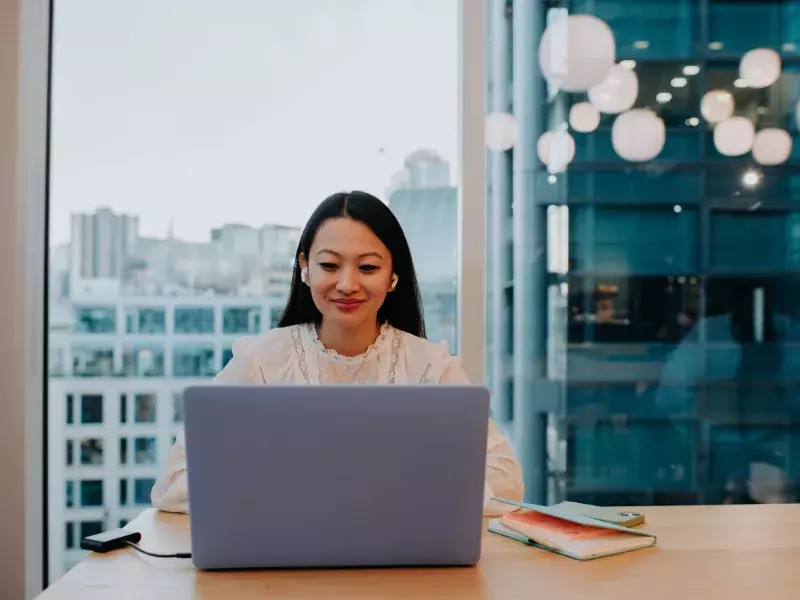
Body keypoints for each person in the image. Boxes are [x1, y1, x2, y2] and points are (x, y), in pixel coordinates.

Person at [152, 191, 524, 515]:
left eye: (368, 267)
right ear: (304, 268)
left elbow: (505, 477)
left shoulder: (431, 367)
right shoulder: (260, 362)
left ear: (393, 275)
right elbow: (174, 483)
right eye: (329, 265)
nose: (347, 284)